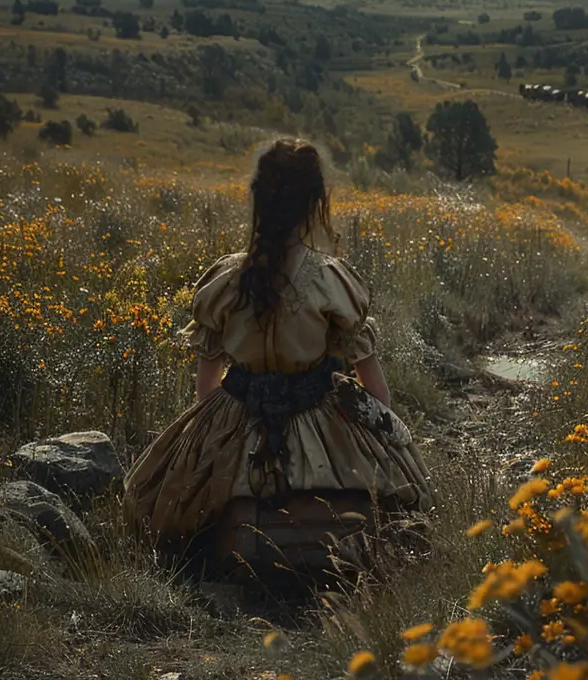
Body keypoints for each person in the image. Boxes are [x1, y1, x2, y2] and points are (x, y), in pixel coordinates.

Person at [123, 139, 433, 586]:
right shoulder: (329, 279)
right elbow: (377, 392)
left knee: (161, 500)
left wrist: (217, 445)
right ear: (314, 204)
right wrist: (377, 442)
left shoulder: (227, 280)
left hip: (238, 409)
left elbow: (206, 387)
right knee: (404, 489)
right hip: (319, 408)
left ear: (259, 200)